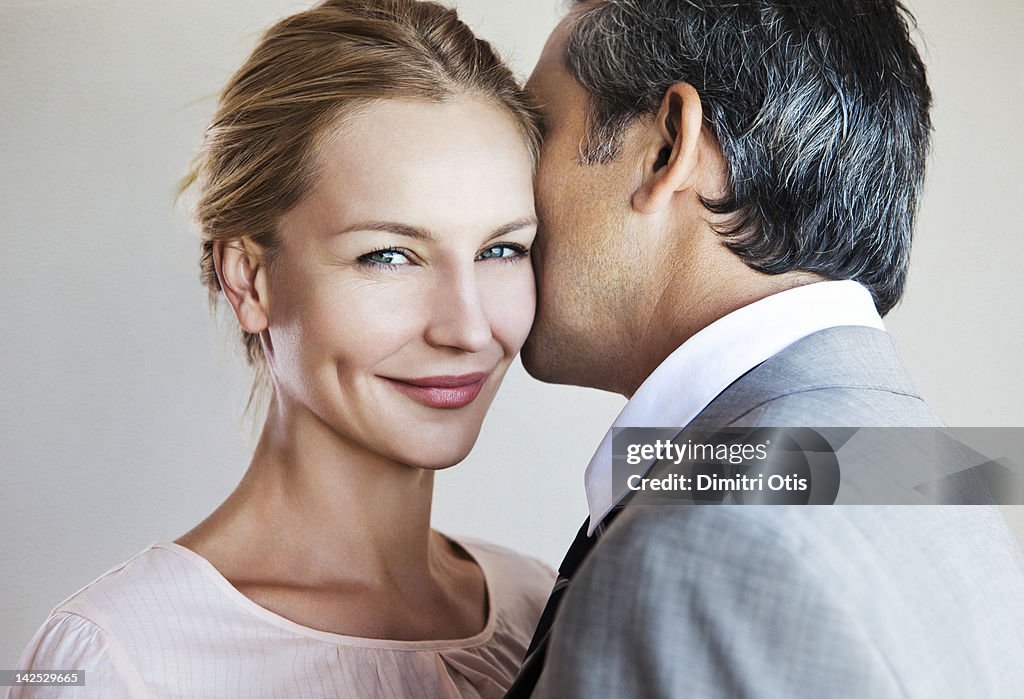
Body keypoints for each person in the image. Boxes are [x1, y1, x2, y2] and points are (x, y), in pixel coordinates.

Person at [8, 1, 553, 697]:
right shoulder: (119, 658)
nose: (467, 329)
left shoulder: (544, 604)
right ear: (251, 278)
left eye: (501, 248)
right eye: (389, 255)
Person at [506, 0, 1024, 697]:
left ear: (668, 147)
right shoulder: (921, 463)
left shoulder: (701, 546)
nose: (509, 192)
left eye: (537, 132)